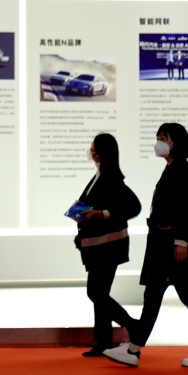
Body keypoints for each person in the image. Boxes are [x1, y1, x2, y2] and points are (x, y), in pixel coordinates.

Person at [105, 123, 188, 368]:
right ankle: (136, 348)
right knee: (161, 295)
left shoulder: (182, 169)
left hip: (173, 244)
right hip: (163, 243)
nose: (159, 142)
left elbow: (184, 208)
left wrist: (181, 242)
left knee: (179, 295)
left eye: (163, 138)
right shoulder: (172, 168)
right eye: (158, 137)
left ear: (176, 142)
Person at [73, 134, 141, 357]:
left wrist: (103, 214)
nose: (90, 151)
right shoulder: (100, 176)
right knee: (100, 293)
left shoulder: (111, 178)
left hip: (108, 246)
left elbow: (134, 207)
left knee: (96, 292)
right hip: (97, 245)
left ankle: (131, 324)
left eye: (93, 148)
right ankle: (103, 341)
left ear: (100, 153)